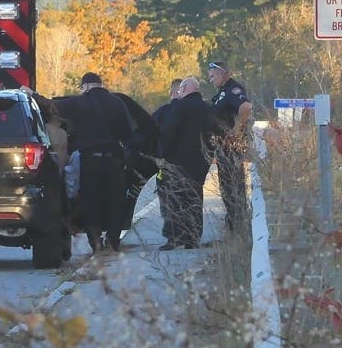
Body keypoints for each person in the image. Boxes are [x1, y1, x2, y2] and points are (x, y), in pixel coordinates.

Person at [26, 72, 133, 253]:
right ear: (100, 84)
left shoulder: (80, 102)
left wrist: (32, 94)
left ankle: (95, 241)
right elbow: (128, 132)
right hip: (114, 160)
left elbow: (53, 106)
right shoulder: (117, 103)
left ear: (86, 86)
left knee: (91, 201)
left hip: (90, 160)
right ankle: (113, 240)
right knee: (115, 201)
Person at [157, 77, 213, 250]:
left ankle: (174, 237)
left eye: (181, 89)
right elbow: (214, 133)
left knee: (175, 199)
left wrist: (161, 154)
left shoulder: (180, 107)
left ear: (185, 88)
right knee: (194, 199)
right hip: (200, 161)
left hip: (178, 161)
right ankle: (193, 238)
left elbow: (169, 132)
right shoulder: (208, 108)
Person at [207, 60, 252, 235]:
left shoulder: (233, 89)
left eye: (212, 76)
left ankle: (239, 226)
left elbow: (246, 107)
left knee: (234, 187)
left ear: (223, 74)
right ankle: (233, 226)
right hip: (222, 148)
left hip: (231, 149)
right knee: (226, 187)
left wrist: (237, 129)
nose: (210, 79)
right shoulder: (222, 92)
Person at [151, 79, 183, 241]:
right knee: (188, 200)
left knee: (168, 200)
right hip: (188, 164)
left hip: (165, 164)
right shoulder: (192, 110)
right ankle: (189, 235)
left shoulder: (162, 112)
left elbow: (149, 134)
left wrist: (157, 156)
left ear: (171, 93)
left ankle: (172, 235)